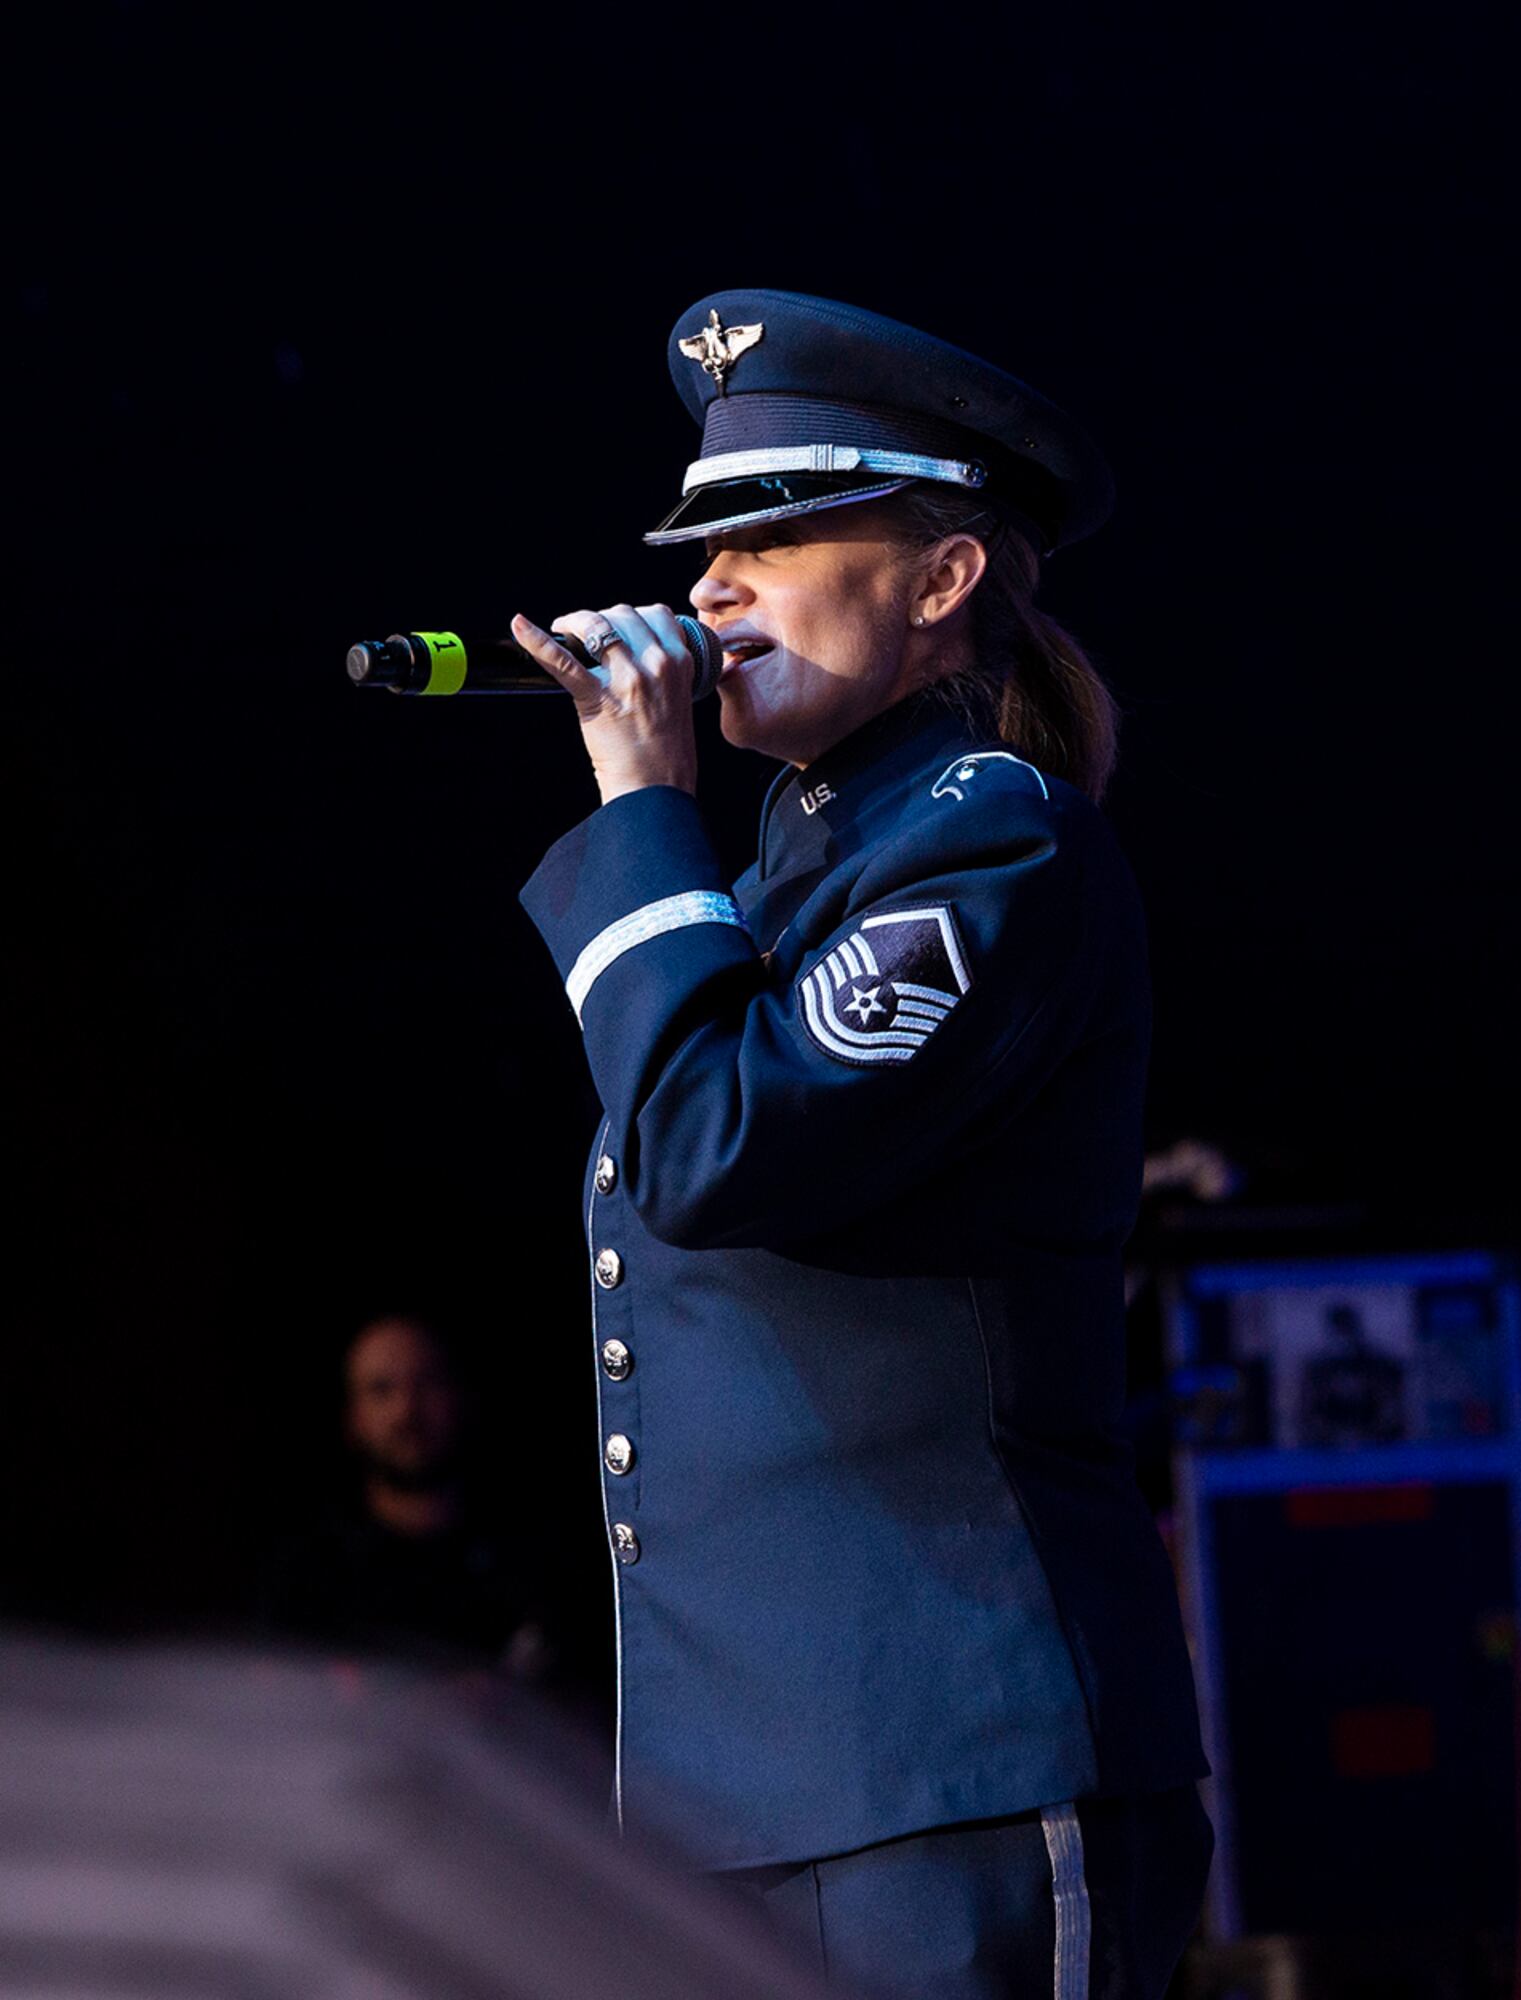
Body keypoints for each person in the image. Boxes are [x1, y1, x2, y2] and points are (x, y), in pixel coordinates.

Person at [511, 290, 1212, 1999]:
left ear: (944, 577)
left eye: (773, 530)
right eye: (700, 545)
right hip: (748, 1801)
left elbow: (718, 1144)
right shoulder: (765, 895)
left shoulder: (999, 843)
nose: (708, 589)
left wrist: (640, 812)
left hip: (949, 1769)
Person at [259, 1313, 607, 1720]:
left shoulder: (542, 1563)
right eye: (381, 1390)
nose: (407, 1411)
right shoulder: (309, 1578)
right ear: (352, 1417)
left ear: (463, 1397)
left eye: (428, 1383)